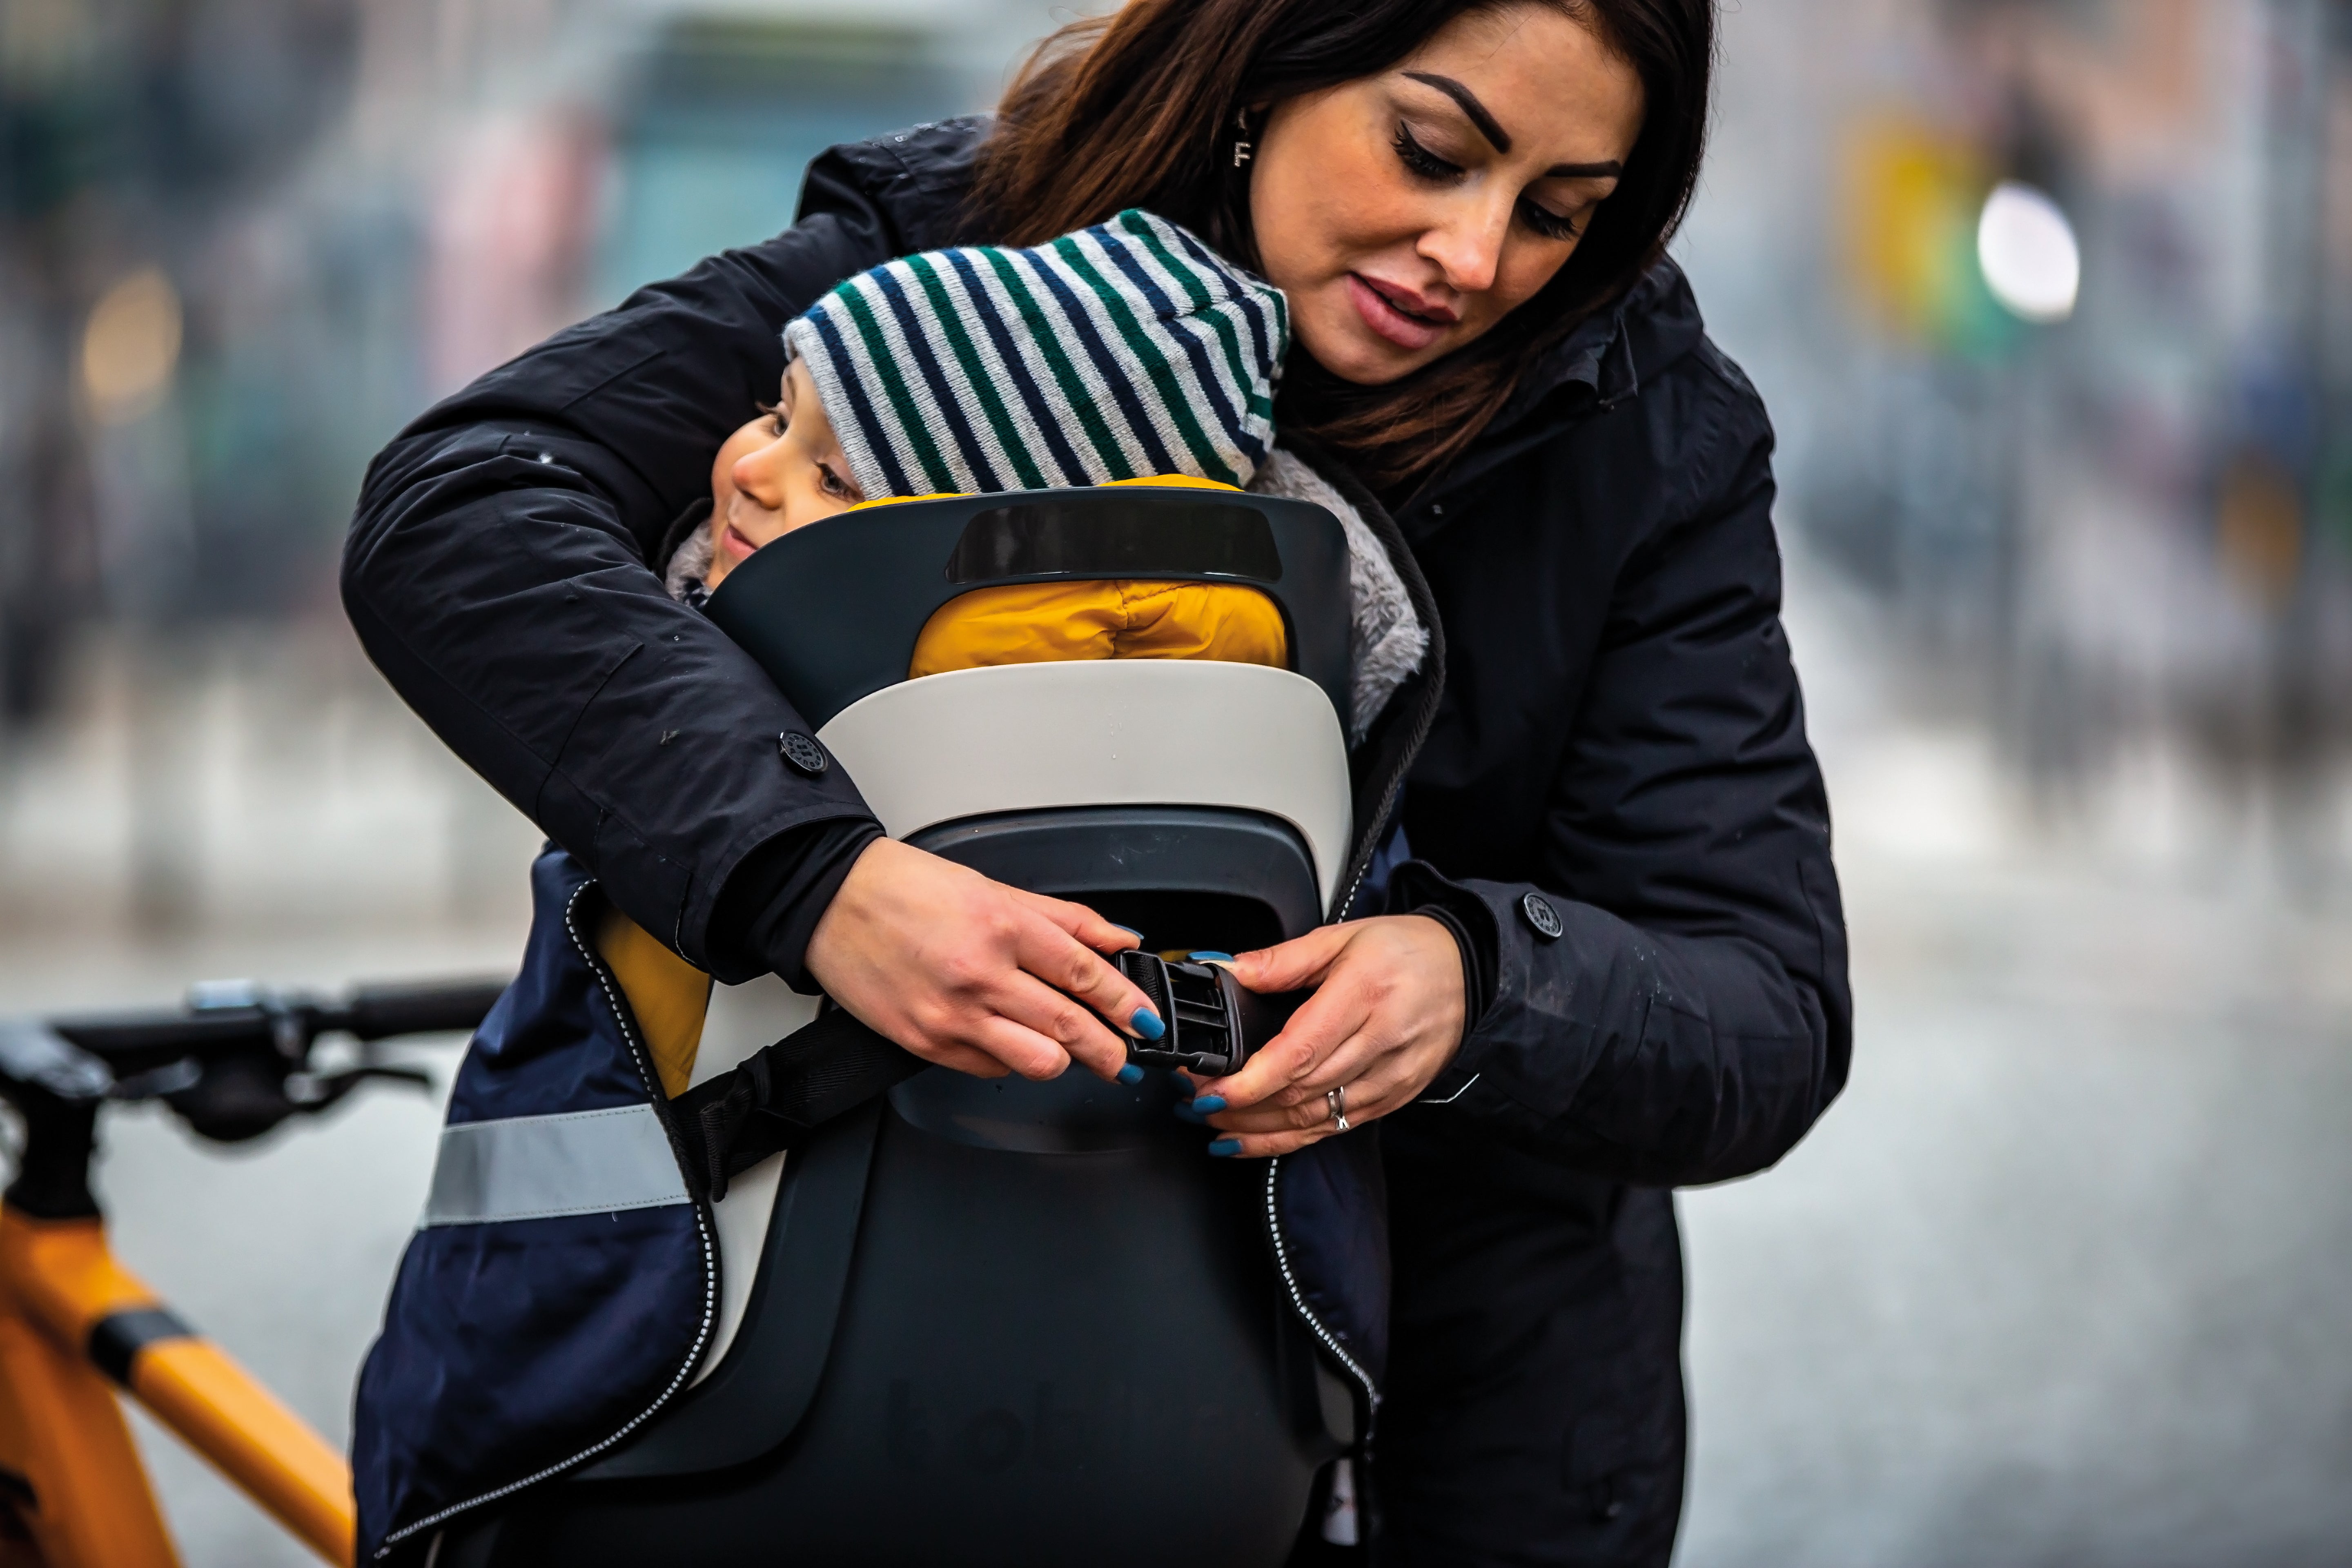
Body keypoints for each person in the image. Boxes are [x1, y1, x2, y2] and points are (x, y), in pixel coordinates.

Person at [343, 0, 1851, 1562]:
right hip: (806, 1383)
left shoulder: (1647, 426)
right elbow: (467, 508)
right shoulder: (945, 255)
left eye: (1555, 213)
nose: (1473, 257)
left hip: (1459, 1433)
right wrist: (817, 878)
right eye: (1430, 150)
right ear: (1271, 64)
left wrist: (1474, 985)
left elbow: (1764, 1002)